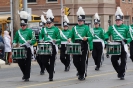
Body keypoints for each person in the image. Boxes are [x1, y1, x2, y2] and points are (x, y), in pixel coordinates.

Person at [104, 7, 131, 80]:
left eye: (119, 20)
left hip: (123, 44)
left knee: (123, 61)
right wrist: (106, 38)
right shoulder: (112, 27)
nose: (118, 21)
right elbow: (106, 34)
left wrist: (126, 40)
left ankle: (121, 74)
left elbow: (130, 37)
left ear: (122, 20)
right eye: (116, 20)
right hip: (115, 45)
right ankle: (119, 71)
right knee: (113, 60)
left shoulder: (126, 28)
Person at [68, 7, 93, 80]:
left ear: (83, 21)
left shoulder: (87, 28)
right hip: (76, 45)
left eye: (81, 20)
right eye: (79, 20)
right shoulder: (74, 28)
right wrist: (69, 38)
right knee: (75, 61)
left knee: (83, 61)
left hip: (84, 44)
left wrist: (87, 38)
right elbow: (70, 35)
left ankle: (82, 74)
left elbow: (91, 37)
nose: (80, 22)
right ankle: (80, 71)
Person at [13, 11, 36, 81]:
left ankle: (27, 76)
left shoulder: (30, 31)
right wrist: (14, 43)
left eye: (24, 25)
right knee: (20, 62)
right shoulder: (18, 32)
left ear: (26, 25)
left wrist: (30, 42)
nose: (22, 26)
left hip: (28, 48)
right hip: (21, 48)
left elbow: (34, 40)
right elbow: (15, 39)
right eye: (21, 25)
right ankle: (25, 74)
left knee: (28, 63)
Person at [39, 9, 61, 81]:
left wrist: (56, 40)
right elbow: (40, 36)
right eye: (47, 23)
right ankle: (50, 71)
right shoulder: (43, 29)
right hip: (45, 46)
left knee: (52, 62)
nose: (48, 24)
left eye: (49, 23)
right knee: (44, 61)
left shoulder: (56, 29)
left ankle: (50, 76)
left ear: (52, 23)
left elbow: (59, 39)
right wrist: (41, 39)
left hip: (53, 46)